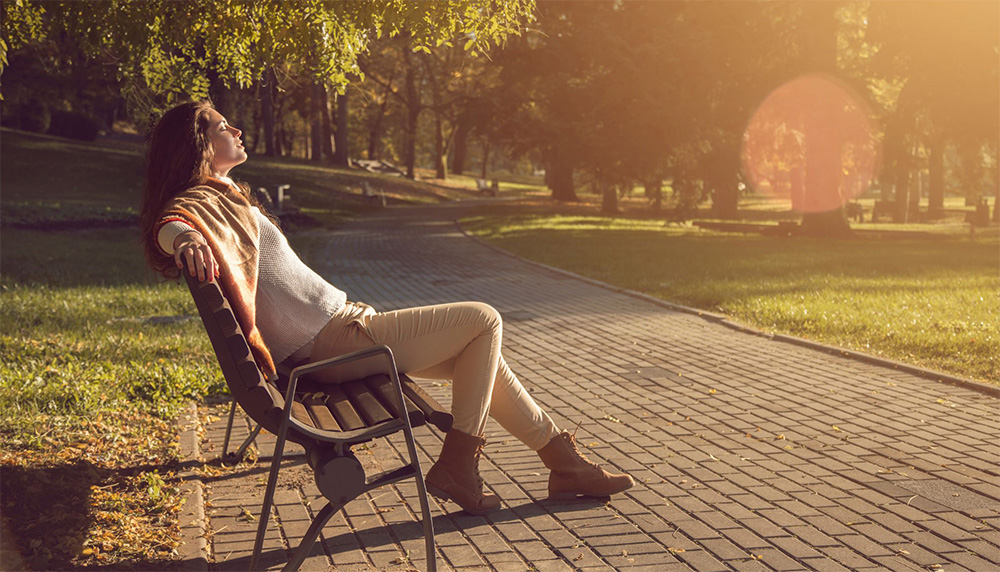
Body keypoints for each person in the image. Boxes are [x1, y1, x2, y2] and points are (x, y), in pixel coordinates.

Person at [141, 100, 633, 515]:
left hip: (343, 332)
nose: (237, 128)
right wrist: (183, 238)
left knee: (479, 354)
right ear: (200, 144)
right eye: (224, 126)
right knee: (484, 320)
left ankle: (565, 464)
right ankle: (462, 465)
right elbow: (169, 222)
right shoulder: (199, 201)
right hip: (334, 343)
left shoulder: (224, 196)